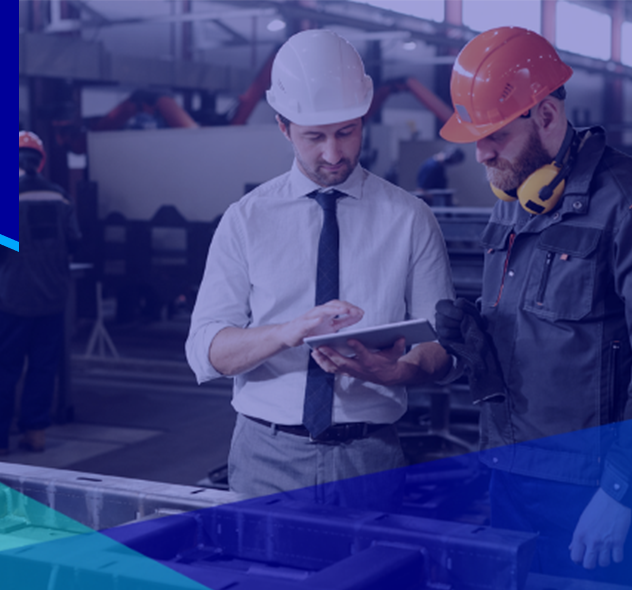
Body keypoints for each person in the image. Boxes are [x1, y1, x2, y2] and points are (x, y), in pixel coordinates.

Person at [434, 27, 632, 585]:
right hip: (510, 472)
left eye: (494, 134)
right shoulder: (515, 204)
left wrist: (622, 490)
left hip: (593, 487)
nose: (481, 152)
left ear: (545, 116)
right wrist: (477, 347)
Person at [185, 29, 454, 507]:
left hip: (370, 457)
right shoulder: (246, 220)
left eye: (347, 132)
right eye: (315, 137)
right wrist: (286, 333)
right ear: (283, 126)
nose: (333, 154)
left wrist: (389, 372)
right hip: (265, 457)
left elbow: (441, 348)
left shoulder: (410, 218)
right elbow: (207, 351)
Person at [0, 131, 81, 457]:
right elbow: (76, 242)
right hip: (54, 298)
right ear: (40, 160)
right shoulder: (60, 196)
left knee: (0, 367)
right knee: (43, 366)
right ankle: (35, 433)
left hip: (12, 297)